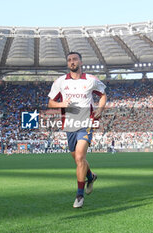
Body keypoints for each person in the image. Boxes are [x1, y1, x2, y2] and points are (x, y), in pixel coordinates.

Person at [48, 51, 107, 208]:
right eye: (69, 60)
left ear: (81, 62)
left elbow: (103, 95)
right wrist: (62, 104)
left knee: (80, 157)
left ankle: (79, 196)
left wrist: (100, 109)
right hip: (69, 125)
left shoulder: (91, 80)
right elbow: (51, 103)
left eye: (75, 59)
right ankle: (90, 176)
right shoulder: (60, 82)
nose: (72, 62)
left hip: (86, 122)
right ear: (68, 64)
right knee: (77, 159)